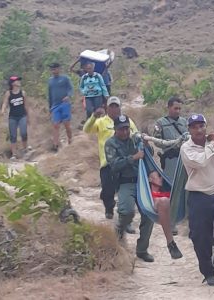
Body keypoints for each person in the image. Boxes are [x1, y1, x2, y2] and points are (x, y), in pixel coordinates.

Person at [180, 113, 214, 286]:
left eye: (201, 126)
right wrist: (213, 144)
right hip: (198, 195)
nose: (199, 130)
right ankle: (208, 272)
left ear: (205, 127)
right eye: (194, 127)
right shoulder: (186, 148)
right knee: (200, 236)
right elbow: (201, 162)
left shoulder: (213, 143)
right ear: (189, 130)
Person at [83, 96, 136, 233]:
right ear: (107, 108)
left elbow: (136, 134)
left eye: (116, 106)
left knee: (124, 193)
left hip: (125, 163)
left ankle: (125, 220)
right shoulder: (101, 122)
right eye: (111, 106)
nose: (114, 108)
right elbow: (87, 130)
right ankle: (108, 207)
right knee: (108, 190)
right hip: (107, 163)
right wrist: (93, 117)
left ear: (120, 107)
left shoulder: (127, 121)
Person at [105, 115, 154, 262]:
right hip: (125, 182)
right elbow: (114, 165)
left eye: (127, 128)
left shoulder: (136, 139)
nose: (125, 132)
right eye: (121, 129)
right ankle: (120, 230)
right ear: (115, 129)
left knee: (149, 214)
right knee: (127, 211)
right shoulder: (110, 144)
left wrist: (146, 145)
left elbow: (149, 155)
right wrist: (133, 158)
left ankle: (142, 249)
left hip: (141, 181)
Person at [153, 96, 188, 235]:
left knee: (187, 189)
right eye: (175, 108)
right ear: (169, 107)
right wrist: (173, 142)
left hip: (185, 159)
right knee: (171, 190)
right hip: (170, 159)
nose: (178, 111)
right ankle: (171, 222)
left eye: (180, 108)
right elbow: (157, 141)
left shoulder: (185, 122)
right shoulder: (160, 123)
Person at [148, 171, 183, 259]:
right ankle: (170, 243)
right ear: (150, 179)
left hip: (169, 210)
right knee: (163, 201)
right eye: (157, 176)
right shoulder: (147, 194)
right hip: (158, 206)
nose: (160, 179)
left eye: (161, 177)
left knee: (165, 200)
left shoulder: (167, 193)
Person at [1, 76, 30, 159]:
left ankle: (25, 149)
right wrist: (3, 110)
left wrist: (28, 117)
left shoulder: (23, 93)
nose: (19, 82)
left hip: (22, 115)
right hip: (13, 117)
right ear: (13, 83)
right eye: (17, 81)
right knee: (13, 135)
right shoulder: (9, 93)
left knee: (23, 133)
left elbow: (26, 105)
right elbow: (5, 103)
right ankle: (14, 154)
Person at [48, 63, 74, 152]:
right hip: (55, 105)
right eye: (52, 69)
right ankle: (56, 145)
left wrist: (68, 96)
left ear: (59, 69)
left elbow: (71, 89)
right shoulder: (50, 81)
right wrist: (50, 107)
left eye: (55, 69)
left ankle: (70, 139)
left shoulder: (65, 78)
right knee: (55, 125)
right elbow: (50, 94)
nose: (54, 71)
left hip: (64, 104)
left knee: (67, 124)